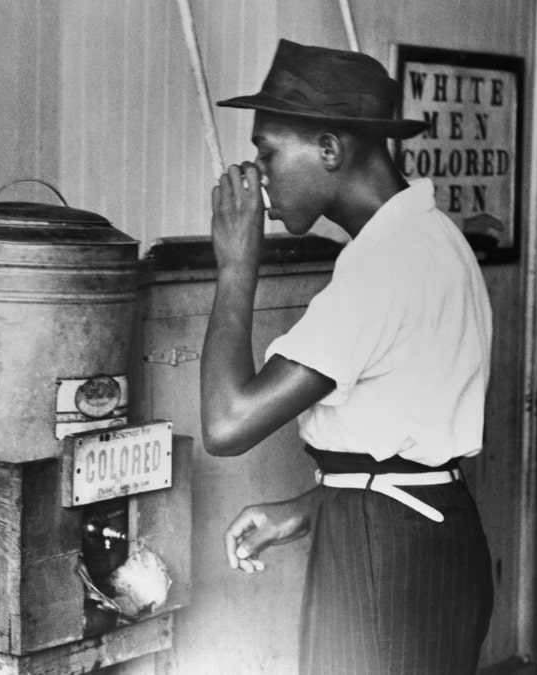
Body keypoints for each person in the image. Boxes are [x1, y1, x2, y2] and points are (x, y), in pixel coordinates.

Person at [200, 39, 494, 674]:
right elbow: (405, 447)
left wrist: (235, 267)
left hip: (386, 554)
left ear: (330, 149)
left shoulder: (381, 269)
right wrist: (307, 512)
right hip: (426, 530)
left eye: (268, 153)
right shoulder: (432, 237)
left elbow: (227, 423)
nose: (259, 175)